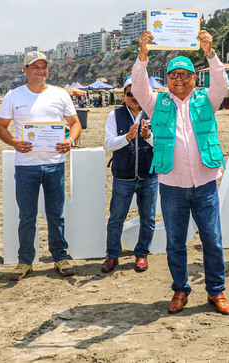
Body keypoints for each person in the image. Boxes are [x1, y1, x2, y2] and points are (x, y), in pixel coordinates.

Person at [132, 30, 229, 315]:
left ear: (193, 79)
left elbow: (222, 83)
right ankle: (180, 289)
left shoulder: (207, 100)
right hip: (172, 184)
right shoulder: (157, 103)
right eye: (173, 75)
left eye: (184, 75)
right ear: (167, 80)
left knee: (212, 239)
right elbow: (139, 87)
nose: (179, 79)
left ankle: (216, 291)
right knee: (176, 241)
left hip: (205, 183)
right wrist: (143, 55)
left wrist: (210, 52)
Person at [0, 51, 82, 280]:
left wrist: (70, 141)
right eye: (35, 67)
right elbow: (0, 127)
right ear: (25, 70)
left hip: (55, 164)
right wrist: (14, 142)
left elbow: (75, 124)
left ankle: (60, 257)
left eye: (44, 67)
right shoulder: (13, 96)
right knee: (27, 216)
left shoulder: (60, 94)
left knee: (56, 215)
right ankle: (25, 261)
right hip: (26, 166)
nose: (41, 71)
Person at [101, 77, 157, 273]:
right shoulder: (114, 115)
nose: (134, 97)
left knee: (148, 218)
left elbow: (162, 145)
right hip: (123, 176)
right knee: (117, 217)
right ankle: (112, 255)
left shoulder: (154, 113)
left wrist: (147, 137)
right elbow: (109, 144)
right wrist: (128, 137)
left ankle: (142, 254)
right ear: (123, 95)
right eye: (129, 93)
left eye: (138, 93)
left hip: (149, 175)